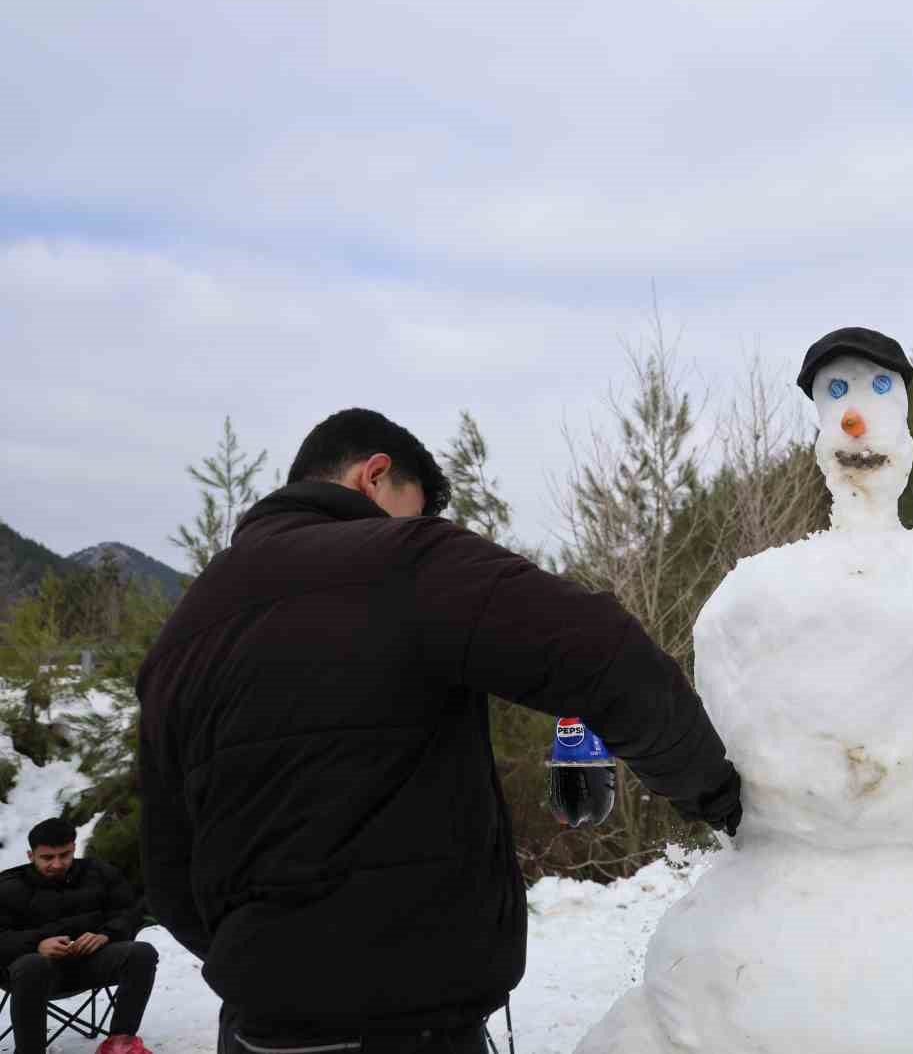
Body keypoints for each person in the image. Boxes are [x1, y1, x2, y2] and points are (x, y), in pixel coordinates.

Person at [137, 408, 742, 1054]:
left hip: (256, 1029)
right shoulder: (400, 559)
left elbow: (170, 877)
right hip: (405, 1026)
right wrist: (720, 797)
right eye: (418, 509)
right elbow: (602, 652)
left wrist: (274, 963)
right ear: (375, 476)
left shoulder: (183, 632)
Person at [0, 818, 159, 1054]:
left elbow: (131, 911)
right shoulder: (8, 887)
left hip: (90, 963)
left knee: (142, 953)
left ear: (74, 848)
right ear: (30, 856)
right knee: (32, 964)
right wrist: (37, 945)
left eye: (64, 855)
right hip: (34, 974)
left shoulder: (100, 873)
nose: (57, 864)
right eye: (47, 858)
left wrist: (106, 935)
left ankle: (120, 1043)